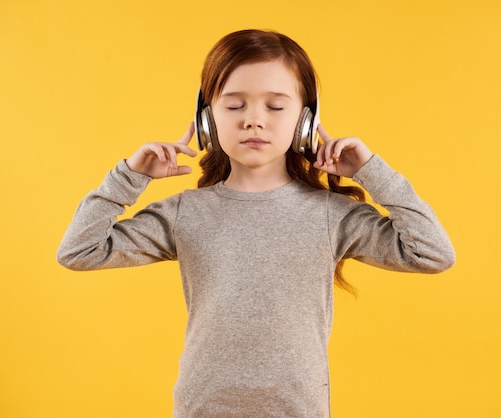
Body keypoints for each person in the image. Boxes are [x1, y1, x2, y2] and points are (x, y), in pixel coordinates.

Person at [57, 29, 455, 418]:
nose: (253, 120)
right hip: (202, 409)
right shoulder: (185, 213)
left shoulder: (332, 215)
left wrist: (370, 171)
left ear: (306, 120)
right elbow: (79, 251)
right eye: (234, 106)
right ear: (207, 119)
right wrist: (129, 175)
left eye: (275, 106)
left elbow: (432, 253)